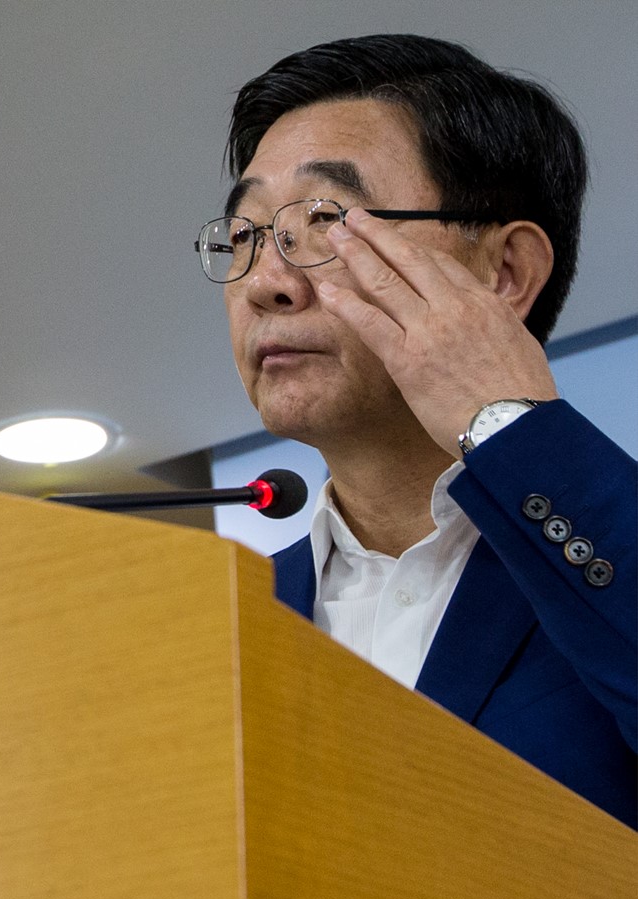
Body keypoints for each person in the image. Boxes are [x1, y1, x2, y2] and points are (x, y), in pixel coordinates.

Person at [194, 34, 636, 827]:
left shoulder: (598, 555)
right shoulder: (214, 628)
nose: (265, 283)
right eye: (247, 234)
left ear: (505, 273)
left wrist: (507, 421)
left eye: (324, 219)